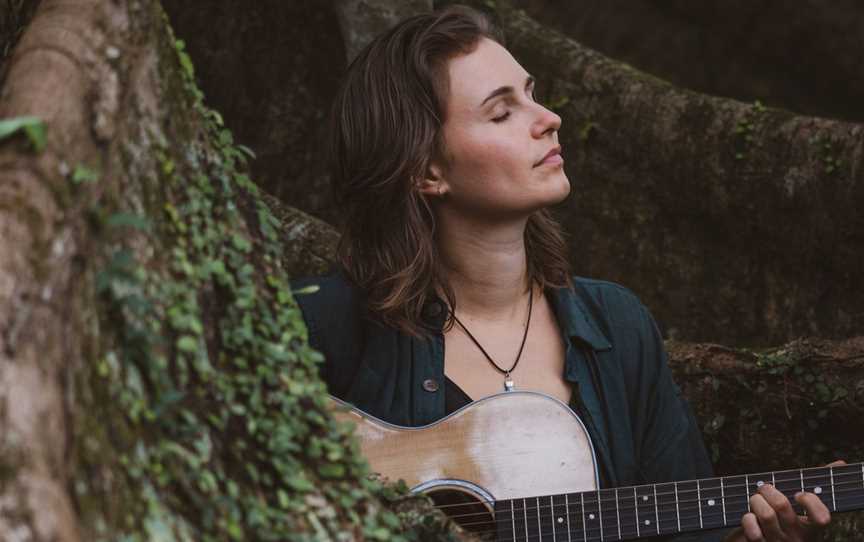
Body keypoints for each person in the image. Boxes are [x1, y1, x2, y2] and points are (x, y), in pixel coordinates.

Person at [291, 5, 833, 541]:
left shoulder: (618, 328)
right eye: (502, 112)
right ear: (424, 170)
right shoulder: (323, 327)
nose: (548, 118)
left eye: (530, 93)